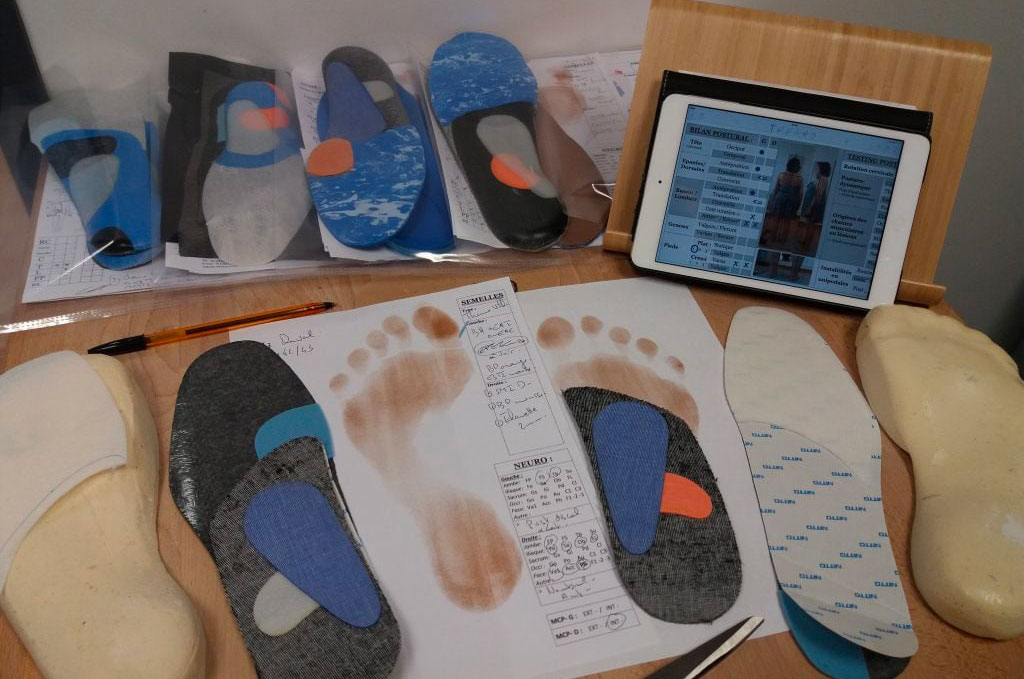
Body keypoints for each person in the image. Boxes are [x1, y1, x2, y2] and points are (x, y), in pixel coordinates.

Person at [763, 157, 804, 246]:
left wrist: (772, 202)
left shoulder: (781, 175)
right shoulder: (800, 179)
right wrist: (798, 205)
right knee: (787, 222)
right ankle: (782, 241)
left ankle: (772, 239)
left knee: (776, 220)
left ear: (788, 165)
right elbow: (800, 194)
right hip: (792, 201)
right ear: (798, 167)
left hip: (780, 199)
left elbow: (775, 190)